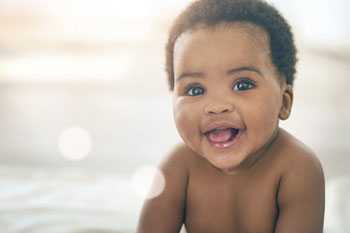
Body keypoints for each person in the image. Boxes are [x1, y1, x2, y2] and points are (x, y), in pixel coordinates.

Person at [137, 0, 325, 232]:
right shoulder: (178, 167)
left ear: (284, 103)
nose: (216, 106)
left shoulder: (297, 168)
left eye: (242, 84)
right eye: (195, 90)